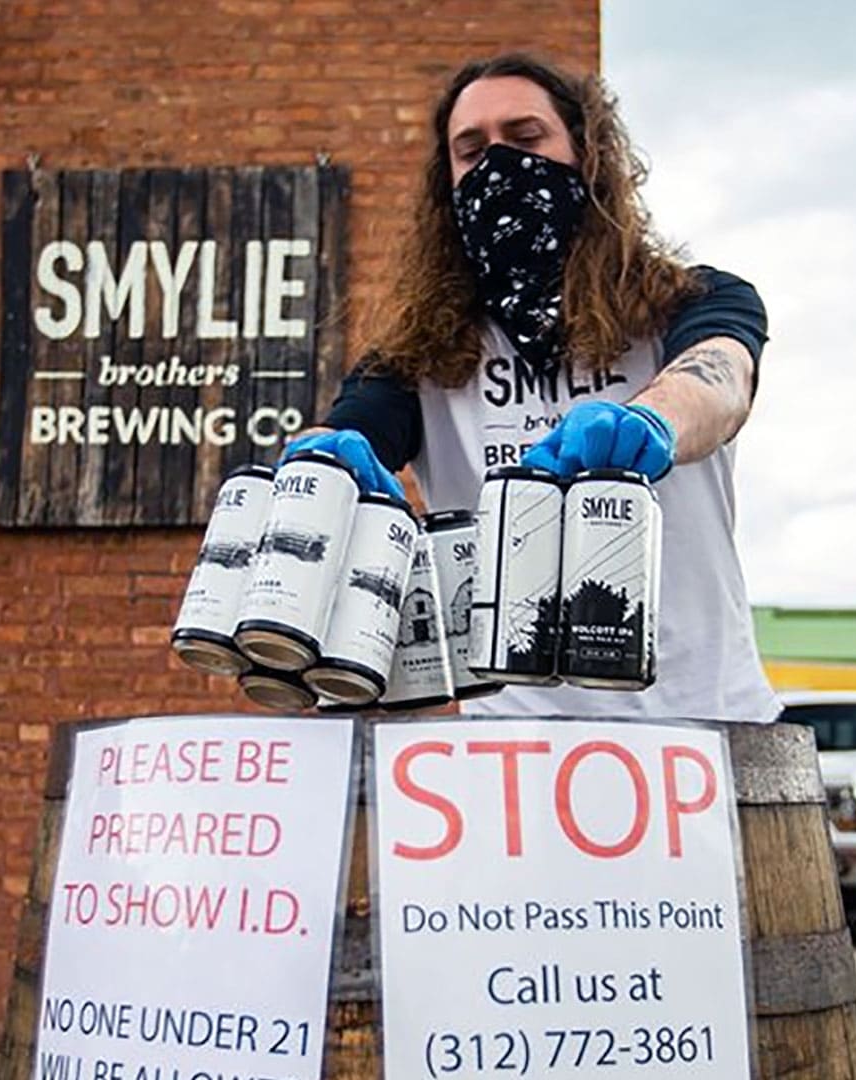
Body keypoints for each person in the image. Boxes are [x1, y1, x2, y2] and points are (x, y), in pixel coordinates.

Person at [287, 52, 779, 723]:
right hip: (514, 742)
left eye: (525, 139)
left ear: (587, 155)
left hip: (708, 725)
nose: (497, 166)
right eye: (471, 150)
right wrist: (322, 462)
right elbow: (357, 425)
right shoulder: (419, 351)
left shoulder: (686, 300)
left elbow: (720, 378)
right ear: (448, 183)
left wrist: (652, 422)